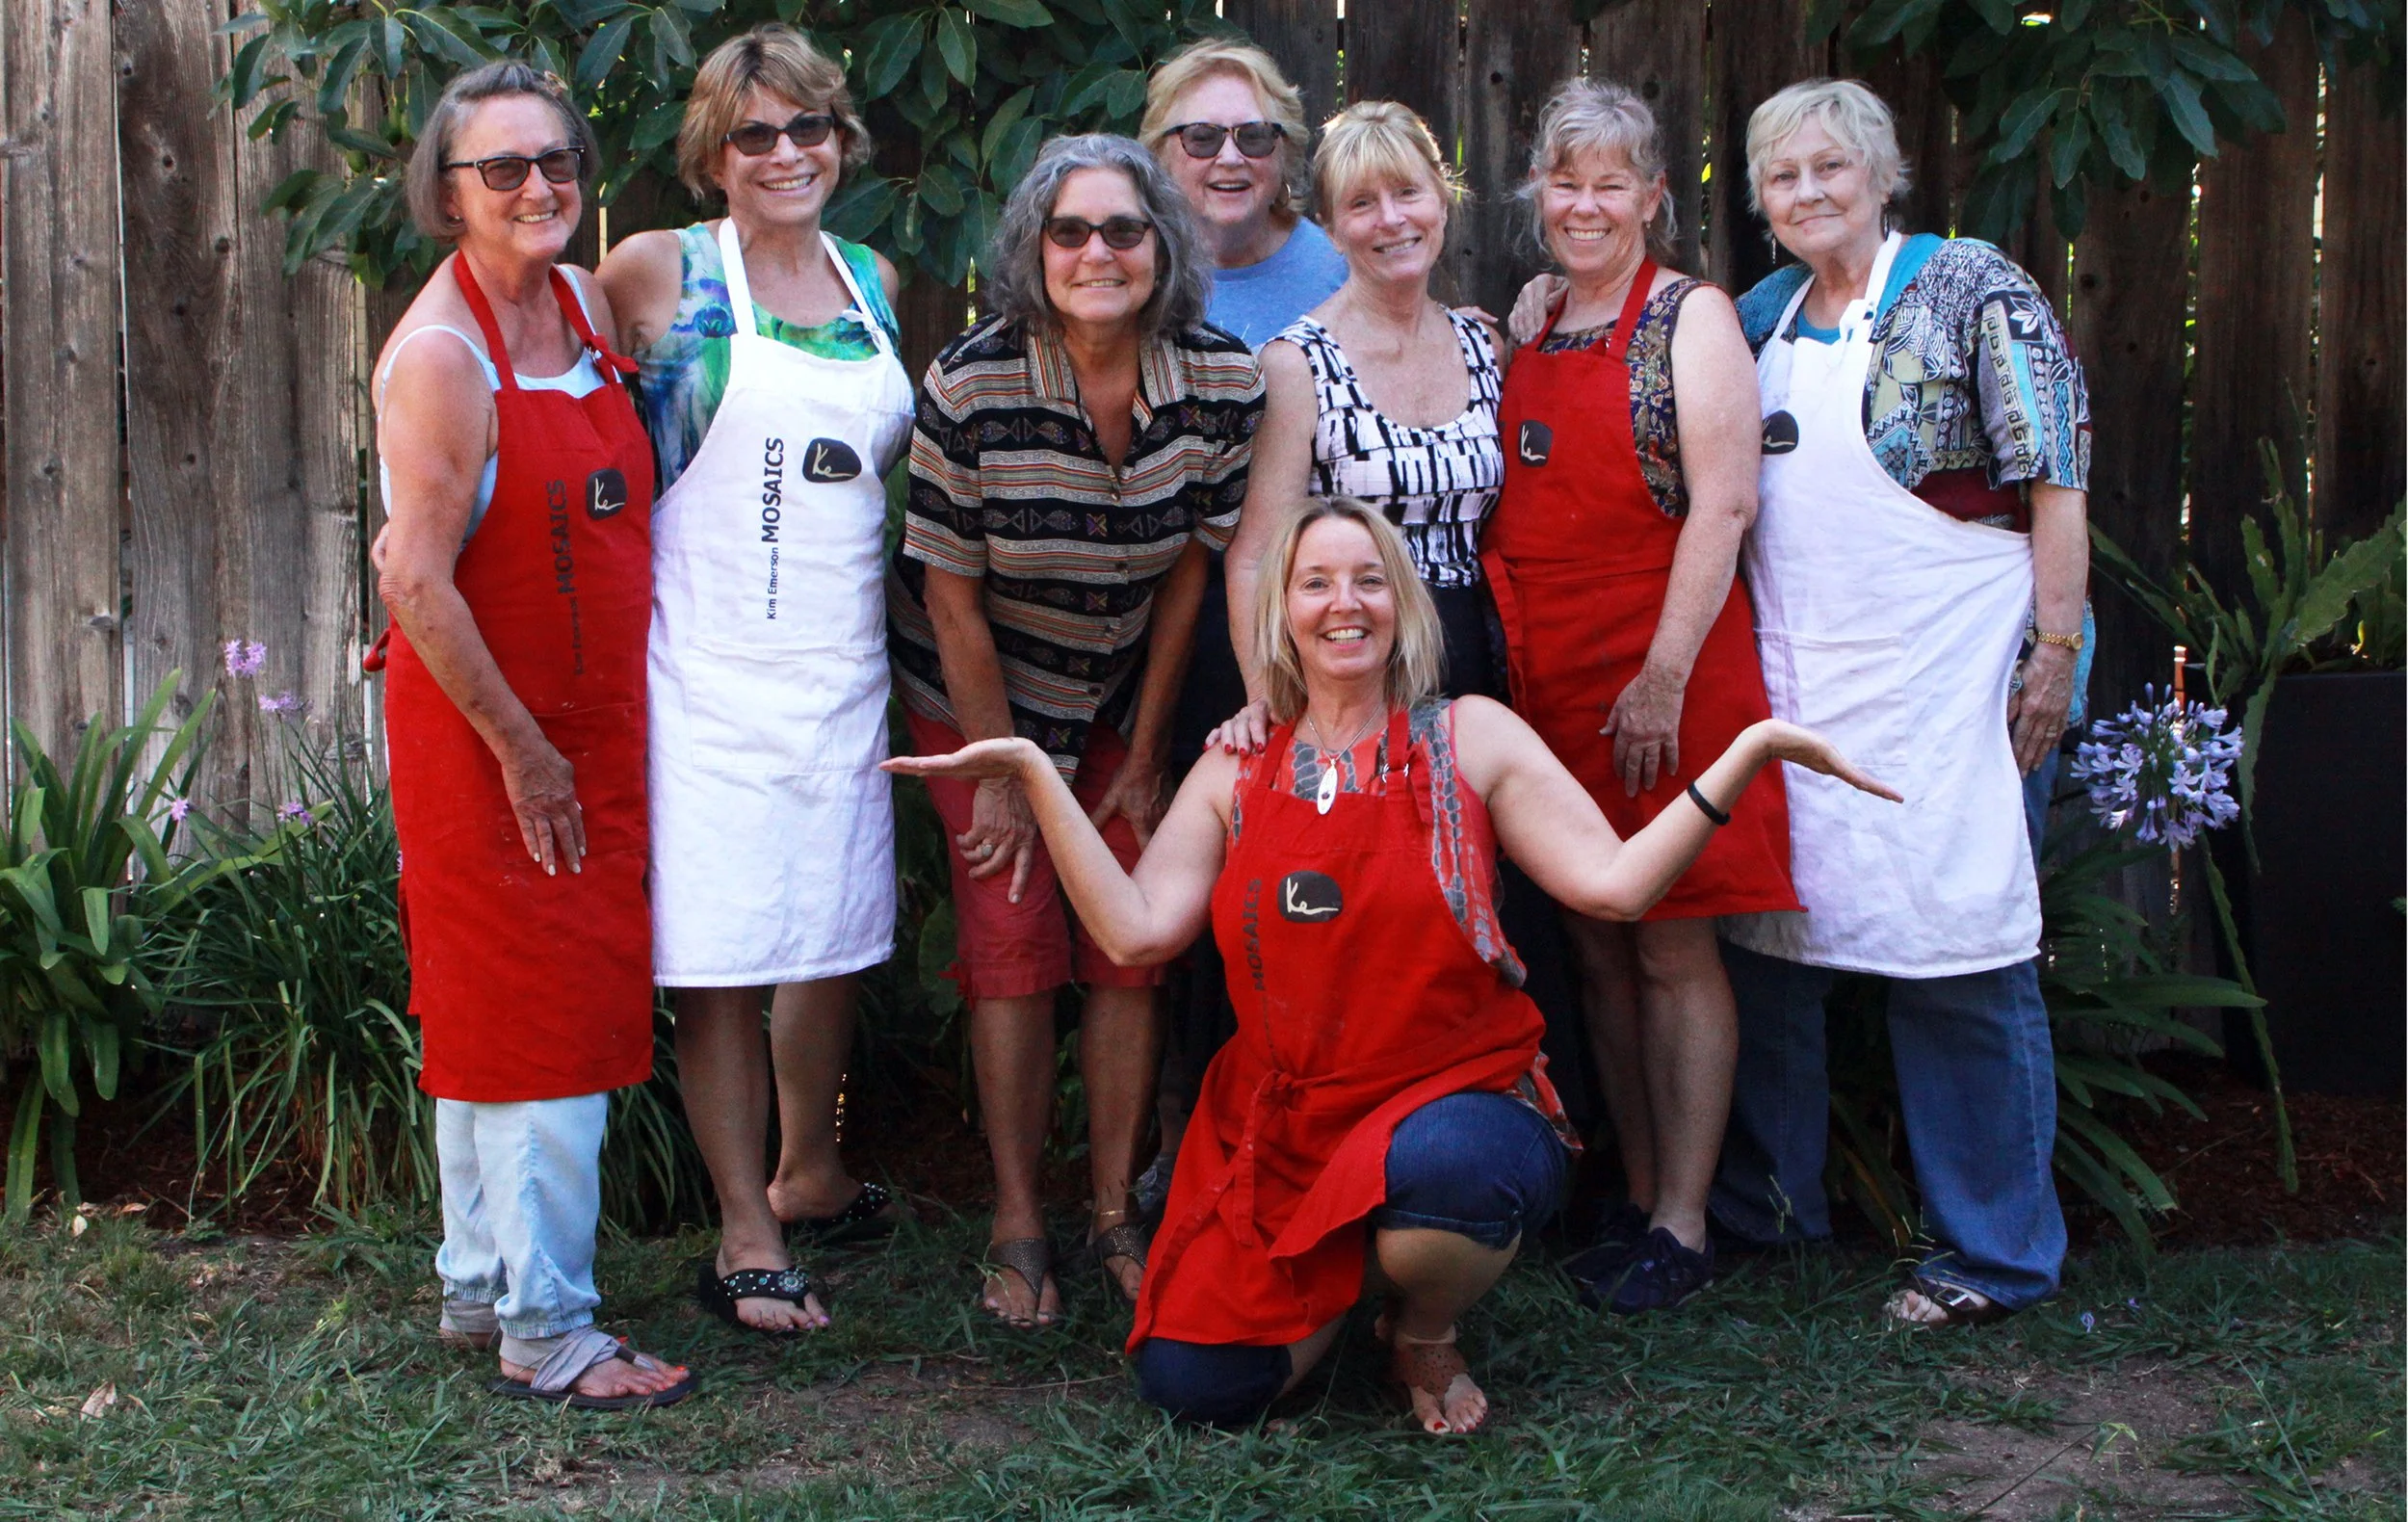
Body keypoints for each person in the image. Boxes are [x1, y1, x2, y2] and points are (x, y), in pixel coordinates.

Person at [885, 499, 1896, 1433]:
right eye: (1316, 581)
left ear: (1400, 604)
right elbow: (1137, 932)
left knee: (1450, 1175)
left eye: (1368, 579)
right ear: (1281, 611)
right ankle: (1343, 1287)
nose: (1343, 603)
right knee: (1198, 1388)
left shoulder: (1470, 735)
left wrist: (1750, 749)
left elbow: (1617, 885)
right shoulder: (1236, 766)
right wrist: (1028, 769)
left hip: (1452, 1102)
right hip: (1285, 1127)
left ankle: (1420, 1328)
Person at [1712, 78, 2095, 1327]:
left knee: (1961, 948)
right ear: (1762, 200)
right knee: (1770, 944)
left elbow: (2055, 476)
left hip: (1960, 670)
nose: (1809, 192)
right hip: (1807, 675)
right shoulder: (1759, 314)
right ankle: (1771, 1216)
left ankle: (1995, 1256)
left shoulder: (1971, 286)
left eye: (1833, 167)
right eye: (1785, 176)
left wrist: (2055, 650)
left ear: (1882, 173)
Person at [886, 134, 1263, 1325]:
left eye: (1122, 230)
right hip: (977, 692)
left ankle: (1112, 1211)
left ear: (1162, 246)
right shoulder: (970, 382)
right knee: (1008, 943)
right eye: (1069, 232)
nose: (1096, 253)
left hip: (1116, 694)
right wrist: (1001, 770)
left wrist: (1147, 757)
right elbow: (949, 591)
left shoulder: (1219, 380)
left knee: (1131, 949)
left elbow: (1191, 583)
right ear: (1033, 251)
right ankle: (1015, 1218)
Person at [370, 61, 691, 1408]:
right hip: (491, 734)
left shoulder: (578, 302)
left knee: (509, 1011)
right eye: (502, 169)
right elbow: (414, 579)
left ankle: (475, 1279)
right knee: (536, 1022)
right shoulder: (443, 358)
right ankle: (549, 1325)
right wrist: (522, 750)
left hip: (589, 724)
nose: (539, 186)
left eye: (556, 160)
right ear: (447, 197)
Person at [596, 23, 912, 1338]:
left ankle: (814, 1168)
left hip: (840, 666)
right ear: (712, 156)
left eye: (808, 129)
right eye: (756, 135)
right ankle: (744, 1226)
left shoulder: (874, 278)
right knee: (722, 955)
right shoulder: (659, 272)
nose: (787, 154)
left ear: (840, 141)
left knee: (829, 934)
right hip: (702, 670)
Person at [1486, 79, 1797, 1316]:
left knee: (1672, 944)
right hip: (1552, 675)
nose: (1585, 203)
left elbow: (1723, 503)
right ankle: (1628, 1186)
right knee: (1596, 945)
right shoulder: (1530, 321)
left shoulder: (1692, 316)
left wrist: (1662, 677)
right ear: (1537, 196)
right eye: (1566, 180)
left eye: (1612, 181)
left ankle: (1683, 1218)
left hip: (1665, 668)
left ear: (1653, 195)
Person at [1138, 39, 1348, 1222]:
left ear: (1285, 154)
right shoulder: (1128, 258)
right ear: (1159, 150)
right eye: (1200, 138)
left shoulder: (1333, 268)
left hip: (1297, 629)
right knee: (1185, 899)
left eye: (1253, 138)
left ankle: (1308, 1137)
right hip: (1155, 619)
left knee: (1301, 888)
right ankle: (1183, 1149)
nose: (1228, 159)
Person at [1224, 102, 1506, 709]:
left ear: (1442, 199)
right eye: (1361, 203)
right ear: (1329, 229)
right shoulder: (1297, 365)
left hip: (1474, 666)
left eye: (1408, 193)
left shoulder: (1484, 348)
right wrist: (1266, 705)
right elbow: (1254, 557)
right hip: (1350, 665)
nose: (1391, 219)